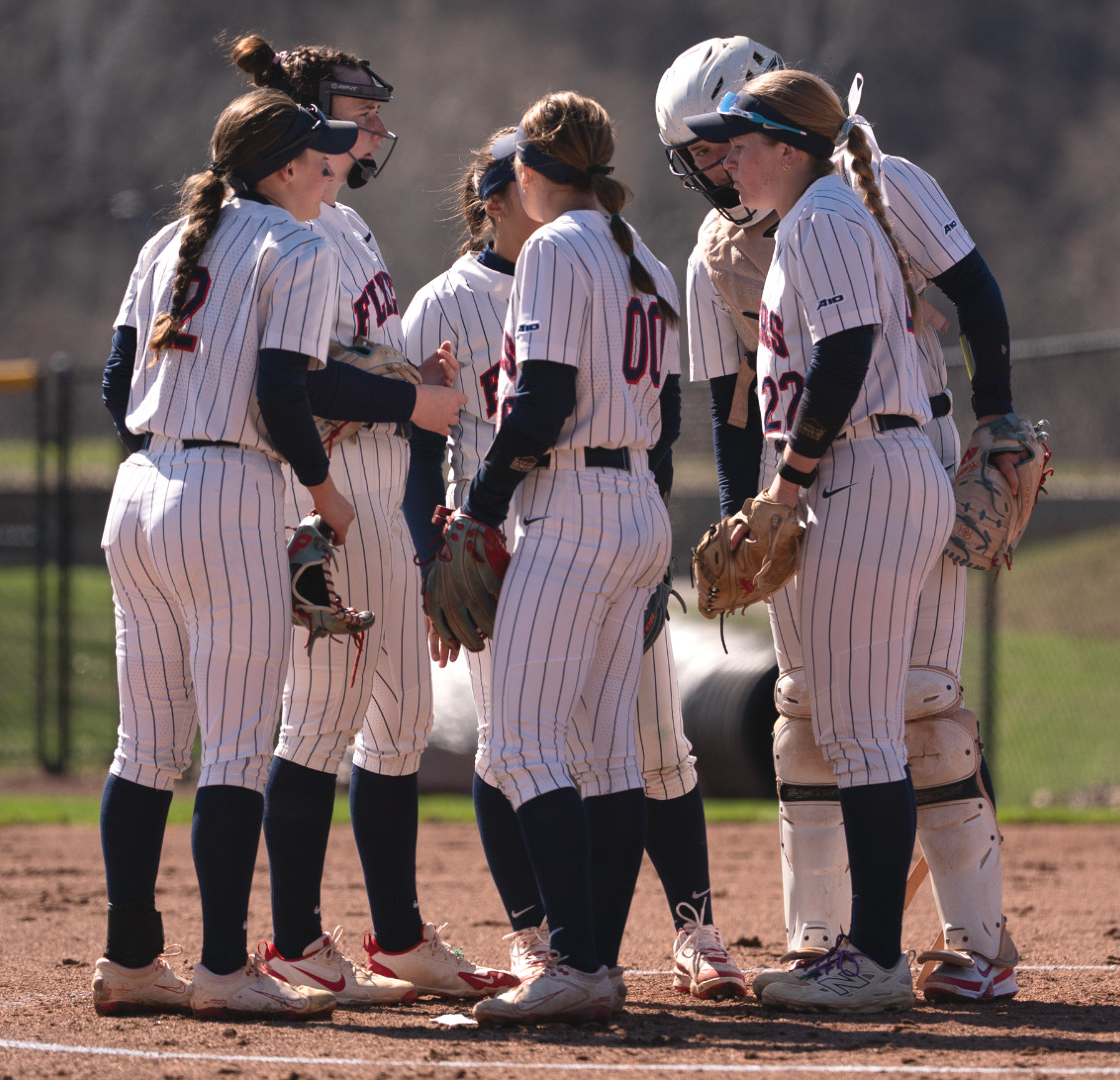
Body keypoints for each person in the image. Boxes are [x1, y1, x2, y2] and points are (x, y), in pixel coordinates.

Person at [658, 38, 1021, 1002]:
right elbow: (735, 408)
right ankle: (829, 942)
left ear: (777, 131)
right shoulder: (733, 248)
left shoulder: (856, 194)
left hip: (874, 462)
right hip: (831, 474)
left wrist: (999, 418)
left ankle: (939, 949)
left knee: (910, 714)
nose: (715, 164)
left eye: (729, 140)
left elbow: (935, 313)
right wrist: (750, 513)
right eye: (702, 151)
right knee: (813, 717)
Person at [90, 86, 465, 1021]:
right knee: (235, 752)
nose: (329, 169)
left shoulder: (167, 241)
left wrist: (173, 438)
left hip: (139, 488)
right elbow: (280, 389)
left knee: (144, 748)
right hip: (232, 494)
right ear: (286, 169)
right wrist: (327, 496)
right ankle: (223, 966)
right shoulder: (294, 245)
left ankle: (131, 959)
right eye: (318, 155)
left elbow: (114, 383)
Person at [402, 130, 747, 1001]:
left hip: (560, 515)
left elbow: (561, 408)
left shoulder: (577, 257)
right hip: (524, 535)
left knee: (594, 746)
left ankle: (606, 952)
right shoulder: (464, 295)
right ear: (491, 196)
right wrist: (435, 548)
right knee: (549, 751)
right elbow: (418, 443)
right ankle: (559, 949)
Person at [231, 35, 516, 1005]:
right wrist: (411, 400)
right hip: (326, 495)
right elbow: (296, 383)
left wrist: (408, 384)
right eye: (360, 108)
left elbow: (352, 362)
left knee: (400, 722)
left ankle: (395, 936)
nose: (380, 126)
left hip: (378, 495)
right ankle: (296, 940)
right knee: (319, 721)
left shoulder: (344, 225)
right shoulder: (286, 231)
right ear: (308, 118)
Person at [429, 91, 680, 1025]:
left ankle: (572, 960)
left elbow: (539, 400)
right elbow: (667, 410)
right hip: (637, 504)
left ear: (531, 173)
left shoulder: (551, 246)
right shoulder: (637, 250)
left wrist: (477, 513)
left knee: (517, 744)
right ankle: (594, 964)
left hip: (569, 502)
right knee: (609, 753)